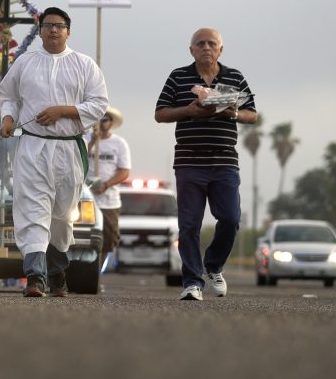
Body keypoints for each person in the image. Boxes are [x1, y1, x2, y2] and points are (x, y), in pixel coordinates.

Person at [0, 7, 109, 297]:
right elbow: (8, 95)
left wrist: (63, 111)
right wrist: (8, 119)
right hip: (33, 148)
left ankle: (57, 271)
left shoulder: (84, 64)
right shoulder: (25, 62)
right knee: (33, 211)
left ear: (68, 31)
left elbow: (99, 104)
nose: (53, 30)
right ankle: (35, 278)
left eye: (59, 26)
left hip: (68, 150)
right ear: (40, 31)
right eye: (47, 25)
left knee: (61, 217)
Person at [155, 27, 257, 300]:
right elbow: (160, 113)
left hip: (225, 161)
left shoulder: (234, 77)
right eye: (200, 44)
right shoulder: (178, 77)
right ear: (191, 50)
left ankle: (213, 266)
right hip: (189, 161)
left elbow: (252, 114)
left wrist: (232, 113)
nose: (206, 48)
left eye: (212, 43)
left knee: (230, 219)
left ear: (221, 49)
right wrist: (189, 111)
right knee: (189, 225)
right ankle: (192, 282)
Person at [86, 106, 131, 273]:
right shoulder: (85, 139)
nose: (102, 122)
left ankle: (96, 272)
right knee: (83, 236)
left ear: (111, 123)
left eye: (105, 119)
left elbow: (124, 171)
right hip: (86, 198)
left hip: (108, 200)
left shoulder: (119, 144)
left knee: (109, 238)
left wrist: (106, 185)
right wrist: (92, 141)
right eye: (99, 119)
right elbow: (77, 158)